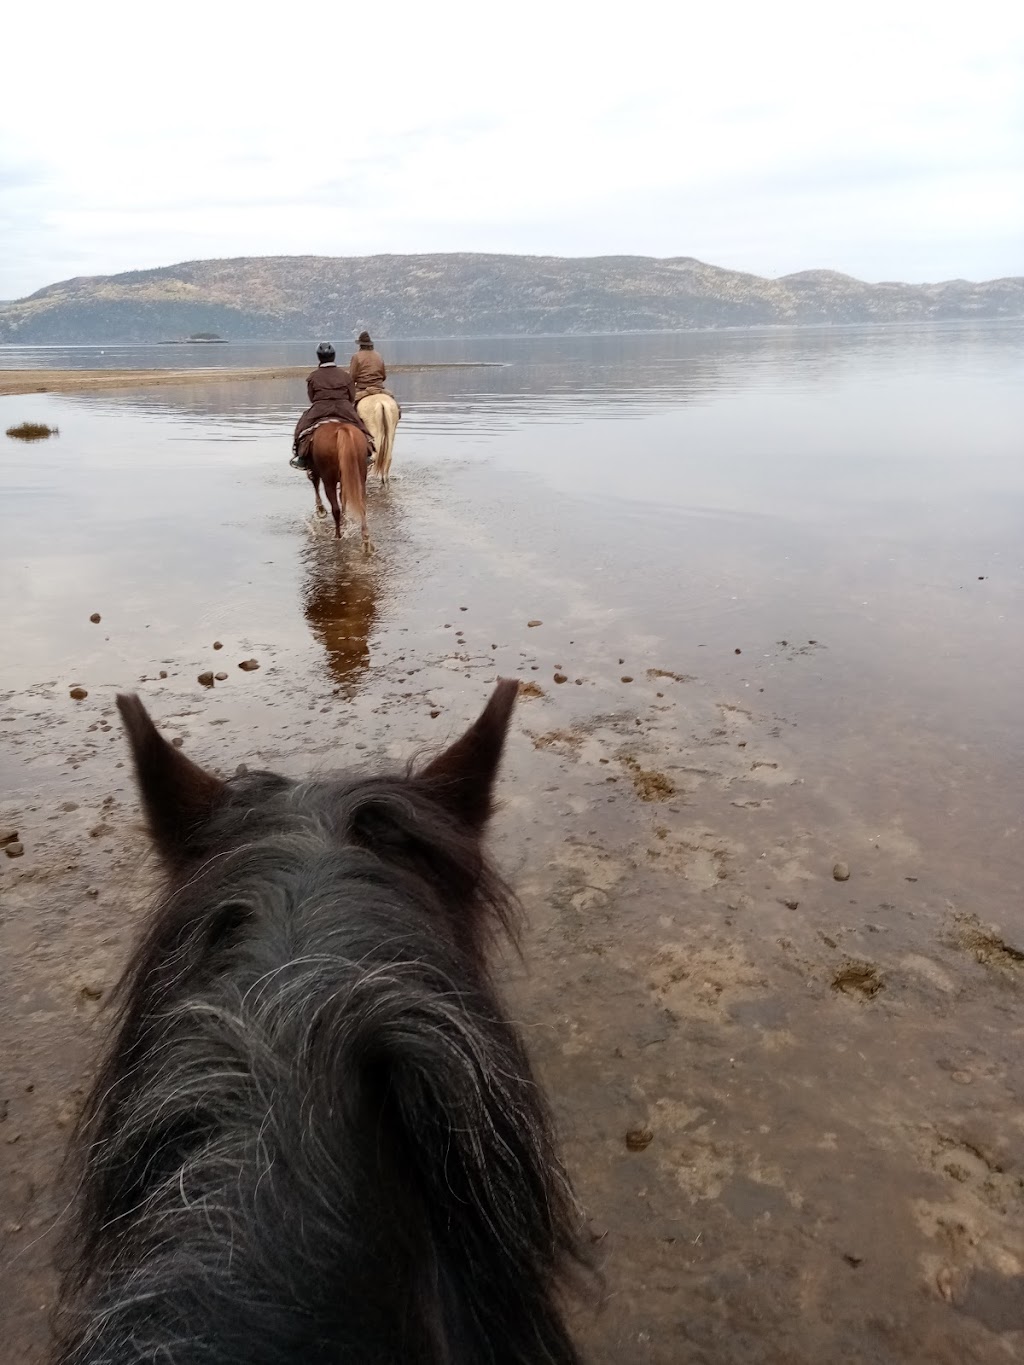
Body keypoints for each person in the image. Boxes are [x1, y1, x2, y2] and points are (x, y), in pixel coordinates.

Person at [290, 343, 375, 470]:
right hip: (344, 407)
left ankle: (300, 456)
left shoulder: (313, 376)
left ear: (319, 357)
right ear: (334, 356)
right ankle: (368, 453)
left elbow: (312, 398)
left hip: (320, 408)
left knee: (302, 427)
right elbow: (352, 397)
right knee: (362, 427)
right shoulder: (344, 375)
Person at [349, 331, 388, 401]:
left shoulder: (356, 357)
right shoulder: (379, 356)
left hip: (362, 389)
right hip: (378, 388)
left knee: (349, 406)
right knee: (395, 404)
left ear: (360, 345)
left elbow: (352, 377)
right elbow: (384, 376)